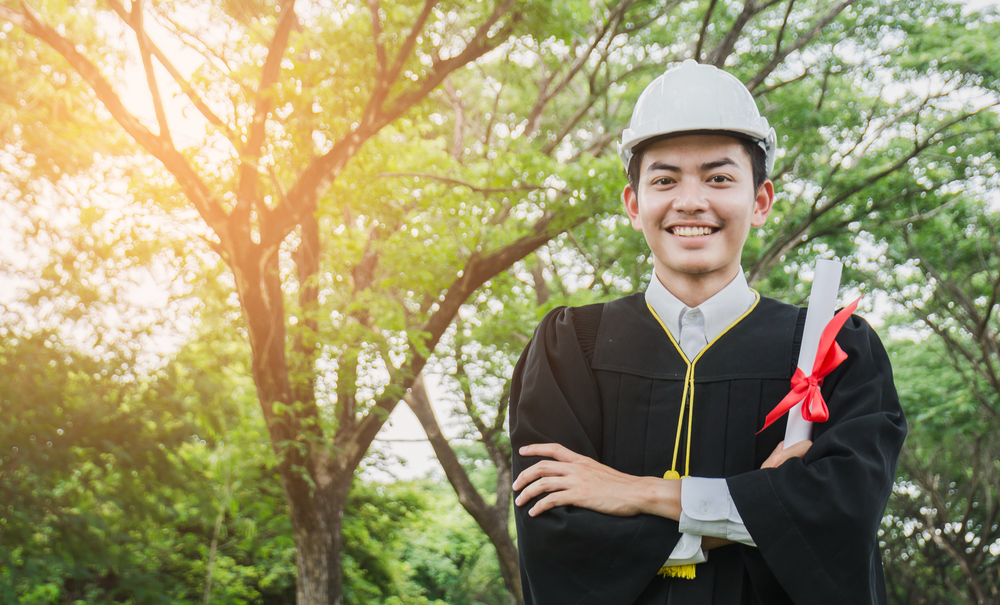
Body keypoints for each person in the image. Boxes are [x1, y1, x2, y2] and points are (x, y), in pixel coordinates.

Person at [508, 60, 907, 605]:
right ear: (634, 204)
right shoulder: (570, 349)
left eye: (719, 178)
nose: (691, 201)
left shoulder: (835, 350)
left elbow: (841, 517)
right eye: (665, 179)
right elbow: (557, 540)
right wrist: (762, 511)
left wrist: (636, 494)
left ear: (760, 200)